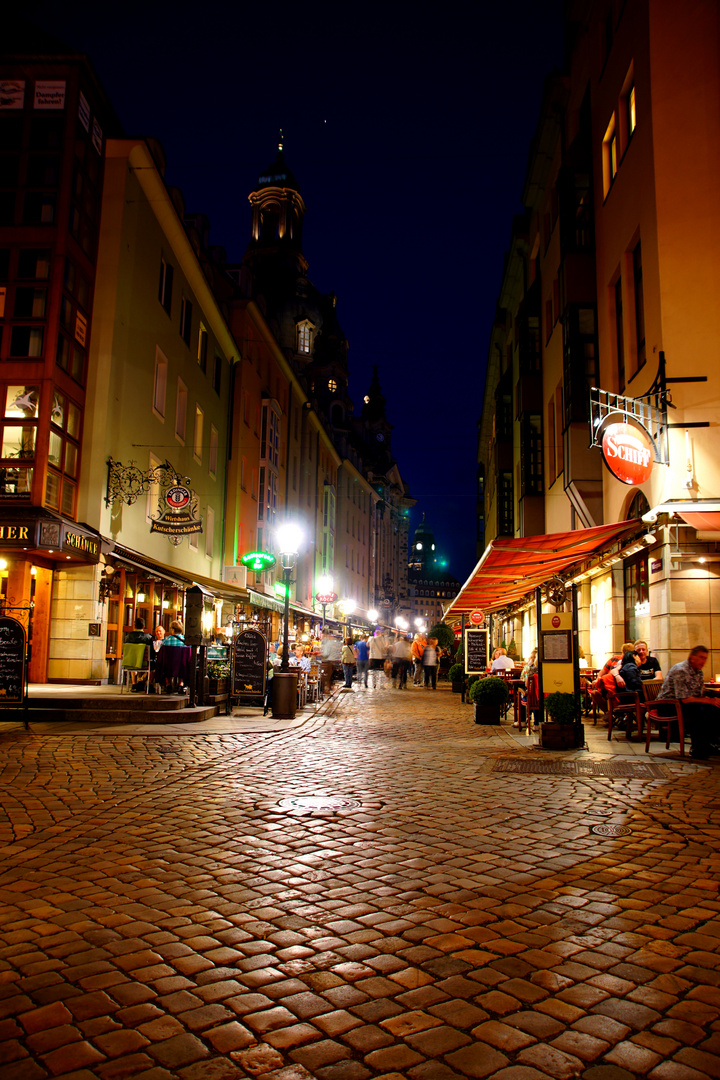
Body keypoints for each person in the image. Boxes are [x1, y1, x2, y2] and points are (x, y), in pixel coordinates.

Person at [657, 645, 720, 760]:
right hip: (668, 705)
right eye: (701, 657)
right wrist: (708, 700)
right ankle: (698, 749)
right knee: (698, 710)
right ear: (692, 657)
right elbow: (684, 698)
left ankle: (712, 744)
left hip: (687, 703)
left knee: (714, 709)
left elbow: (700, 695)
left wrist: (712, 701)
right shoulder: (681, 670)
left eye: (705, 658)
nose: (703, 661)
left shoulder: (699, 672)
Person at [125, 617, 153, 691]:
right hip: (145, 663)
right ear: (144, 626)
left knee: (133, 662)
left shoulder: (128, 637)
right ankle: (146, 683)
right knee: (153, 665)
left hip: (131, 663)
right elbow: (152, 653)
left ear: (134, 626)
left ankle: (134, 684)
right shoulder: (148, 637)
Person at [161, 620, 186, 694]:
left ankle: (169, 685)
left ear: (172, 629)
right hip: (181, 665)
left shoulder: (167, 639)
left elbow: (161, 650)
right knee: (182, 664)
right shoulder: (185, 640)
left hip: (169, 665)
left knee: (165, 664)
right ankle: (180, 684)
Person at [149, 624, 165, 694]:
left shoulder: (166, 641)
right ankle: (150, 684)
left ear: (164, 632)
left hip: (164, 661)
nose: (158, 633)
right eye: (157, 631)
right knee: (154, 666)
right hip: (155, 661)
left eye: (160, 631)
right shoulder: (153, 642)